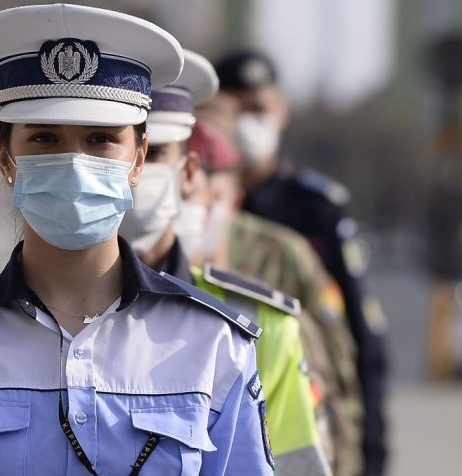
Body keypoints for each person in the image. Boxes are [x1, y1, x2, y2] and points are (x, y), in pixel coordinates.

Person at [0, 5, 273, 475]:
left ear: (138, 158)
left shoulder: (214, 345)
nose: (74, 163)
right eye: (45, 139)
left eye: (100, 139)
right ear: (4, 157)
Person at [118, 49, 330, 475]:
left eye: (154, 154)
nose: (135, 172)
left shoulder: (259, 327)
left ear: (189, 172)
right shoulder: (22, 317)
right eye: (110, 147)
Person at [215, 49, 388, 476]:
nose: (247, 123)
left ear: (282, 110)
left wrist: (371, 454)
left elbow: (358, 339)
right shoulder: (196, 212)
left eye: (258, 109)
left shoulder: (316, 210)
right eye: (235, 109)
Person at [183, 118, 363, 475]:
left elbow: (335, 383)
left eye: (209, 197)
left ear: (233, 200)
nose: (195, 210)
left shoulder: (273, 295)